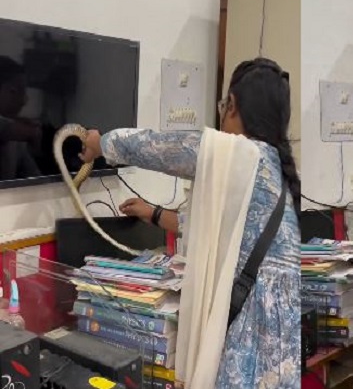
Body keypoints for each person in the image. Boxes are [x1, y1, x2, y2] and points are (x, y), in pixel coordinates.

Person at [79, 57, 300, 388]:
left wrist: (101, 143)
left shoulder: (237, 154)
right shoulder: (272, 168)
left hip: (250, 328)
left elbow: (159, 147)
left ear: (232, 106)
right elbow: (213, 229)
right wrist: (151, 212)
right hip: (280, 335)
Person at [0, 56, 41, 179]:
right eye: (14, 91)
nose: (24, 100)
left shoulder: (17, 142)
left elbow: (37, 179)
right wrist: (30, 132)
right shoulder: (19, 132)